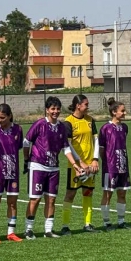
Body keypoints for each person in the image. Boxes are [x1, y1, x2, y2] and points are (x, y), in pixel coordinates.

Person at [23, 96, 85, 239]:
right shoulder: (39, 124)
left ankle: (48, 230)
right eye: (52, 109)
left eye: (57, 109)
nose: (55, 111)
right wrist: (27, 160)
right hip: (38, 166)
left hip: (53, 168)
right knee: (35, 199)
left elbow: (66, 148)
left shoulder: (62, 127)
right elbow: (26, 142)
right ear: (47, 110)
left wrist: (76, 165)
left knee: (51, 199)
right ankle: (28, 229)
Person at [0, 104, 24, 244]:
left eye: (2, 117)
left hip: (13, 172)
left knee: (12, 202)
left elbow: (18, 147)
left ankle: (11, 233)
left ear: (10, 116)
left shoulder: (18, 129)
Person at [61, 94, 100, 234]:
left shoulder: (90, 120)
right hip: (75, 166)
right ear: (78, 106)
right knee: (70, 194)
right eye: (86, 104)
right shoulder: (68, 122)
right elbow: (68, 145)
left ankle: (88, 224)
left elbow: (96, 140)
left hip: (90, 165)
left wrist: (95, 159)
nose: (88, 107)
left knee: (88, 193)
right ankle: (65, 226)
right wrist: (79, 162)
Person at [99, 97, 131, 230]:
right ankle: (106, 222)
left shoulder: (124, 127)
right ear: (114, 112)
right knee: (108, 194)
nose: (124, 113)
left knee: (122, 193)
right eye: (122, 111)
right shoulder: (105, 128)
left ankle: (121, 221)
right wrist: (107, 163)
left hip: (123, 164)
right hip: (110, 167)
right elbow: (101, 149)